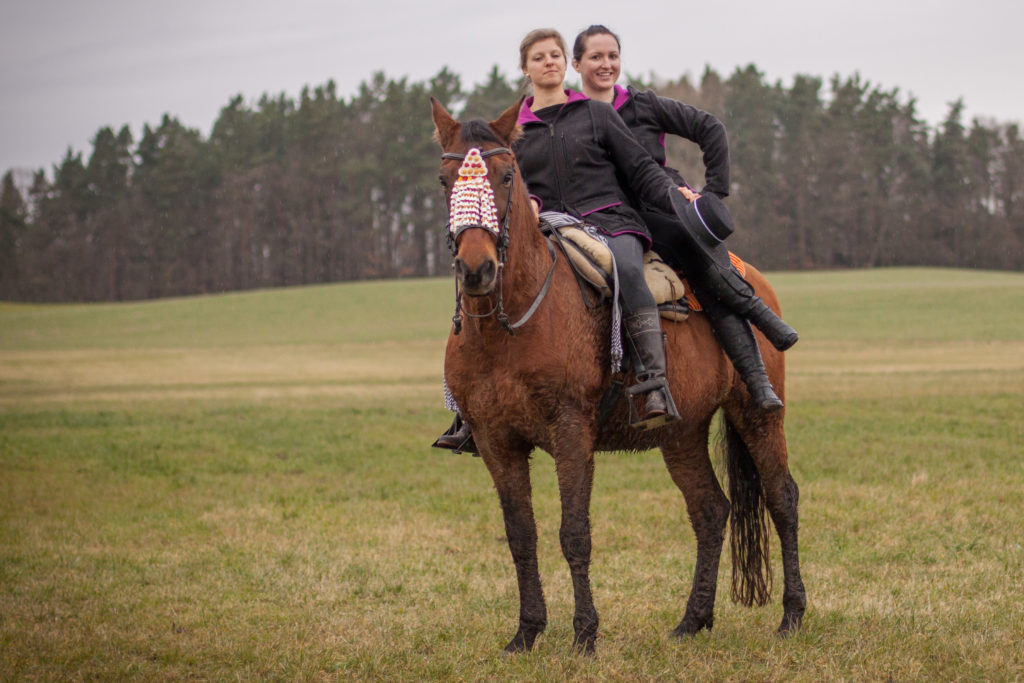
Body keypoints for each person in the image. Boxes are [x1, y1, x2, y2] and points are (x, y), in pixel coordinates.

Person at [434, 27, 693, 452]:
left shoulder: (595, 113)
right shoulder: (513, 129)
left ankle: (653, 384)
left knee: (629, 271)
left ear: (566, 64)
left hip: (611, 220)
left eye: (555, 54)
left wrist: (676, 198)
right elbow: (511, 186)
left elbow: (639, 168)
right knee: (489, 285)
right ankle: (469, 410)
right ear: (525, 69)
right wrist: (530, 202)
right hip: (552, 225)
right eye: (539, 57)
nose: (549, 62)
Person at [570, 24, 798, 411]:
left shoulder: (644, 105)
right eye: (596, 57)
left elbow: (709, 127)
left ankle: (757, 377)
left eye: (613, 56)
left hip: (659, 206)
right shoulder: (570, 114)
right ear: (576, 64)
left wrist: (713, 195)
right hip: (604, 215)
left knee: (698, 265)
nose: (606, 64)